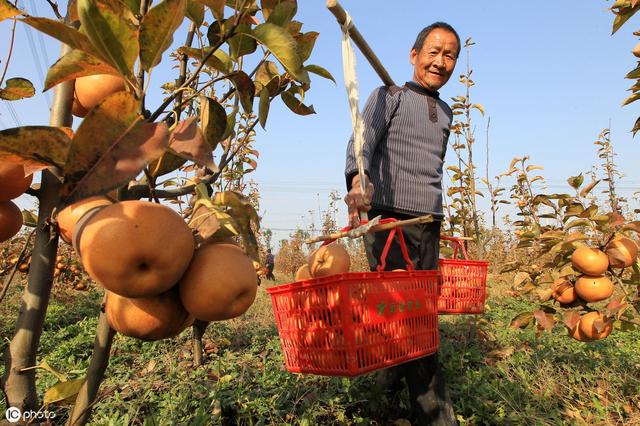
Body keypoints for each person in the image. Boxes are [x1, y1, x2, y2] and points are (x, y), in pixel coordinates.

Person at [344, 22, 460, 426]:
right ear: (414, 56)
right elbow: (362, 142)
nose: (440, 62)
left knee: (412, 313)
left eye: (449, 55)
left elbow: (433, 168)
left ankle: (383, 390)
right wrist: (360, 181)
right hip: (389, 219)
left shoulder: (446, 112)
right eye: (433, 52)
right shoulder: (387, 95)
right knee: (415, 321)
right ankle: (435, 417)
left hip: (430, 220)